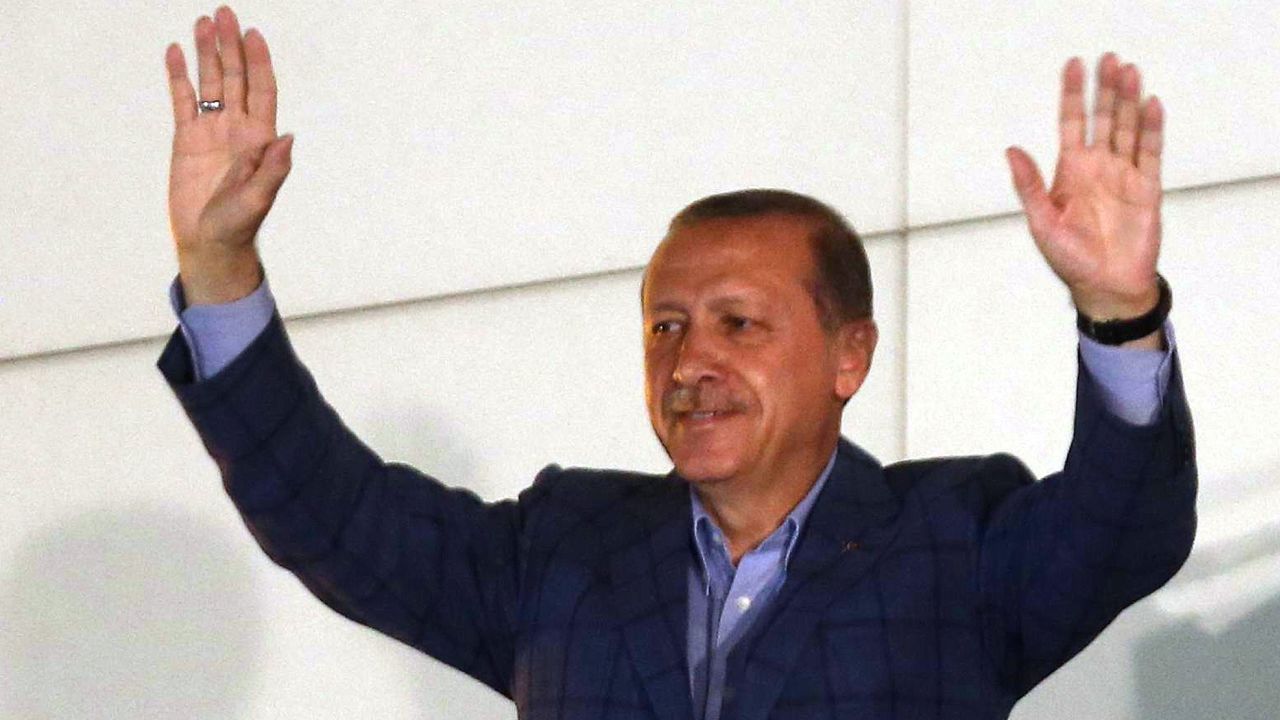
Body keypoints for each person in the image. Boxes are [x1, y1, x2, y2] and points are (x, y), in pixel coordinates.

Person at [157, 6, 1196, 720]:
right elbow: (331, 517)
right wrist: (217, 261)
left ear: (848, 356)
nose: (690, 359)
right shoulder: (562, 552)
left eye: (738, 324)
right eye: (665, 326)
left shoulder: (953, 543)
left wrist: (1116, 312)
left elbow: (1126, 528)